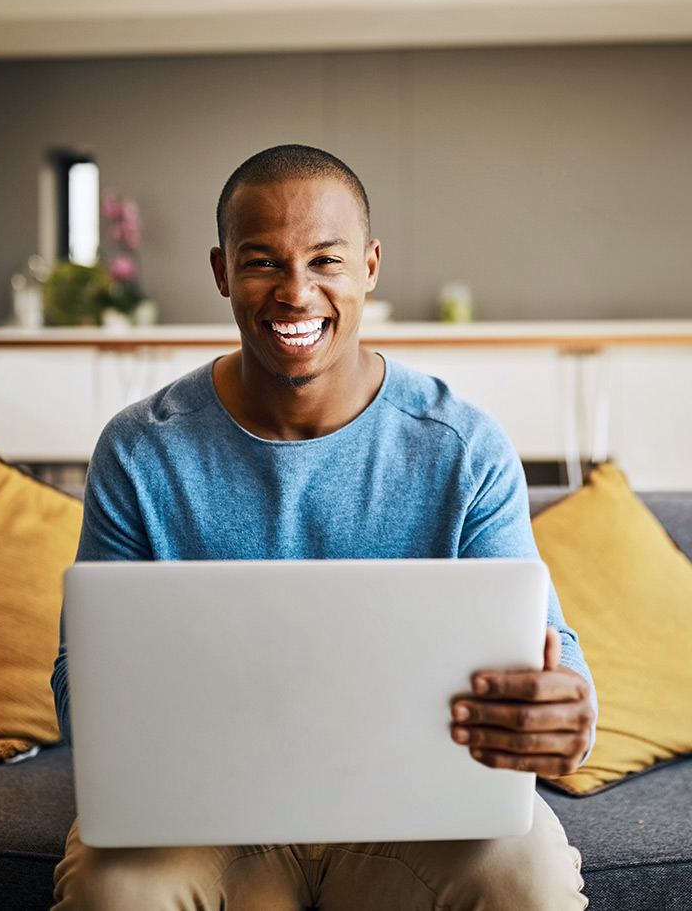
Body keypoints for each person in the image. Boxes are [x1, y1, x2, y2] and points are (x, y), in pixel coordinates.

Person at [51, 144, 596, 910]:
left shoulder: (464, 446)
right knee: (116, 891)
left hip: (415, 819)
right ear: (221, 272)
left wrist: (568, 707)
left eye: (325, 261)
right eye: (263, 262)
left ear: (370, 266)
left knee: (527, 876)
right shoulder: (141, 450)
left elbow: (550, 650)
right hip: (201, 820)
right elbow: (82, 693)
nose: (296, 293)